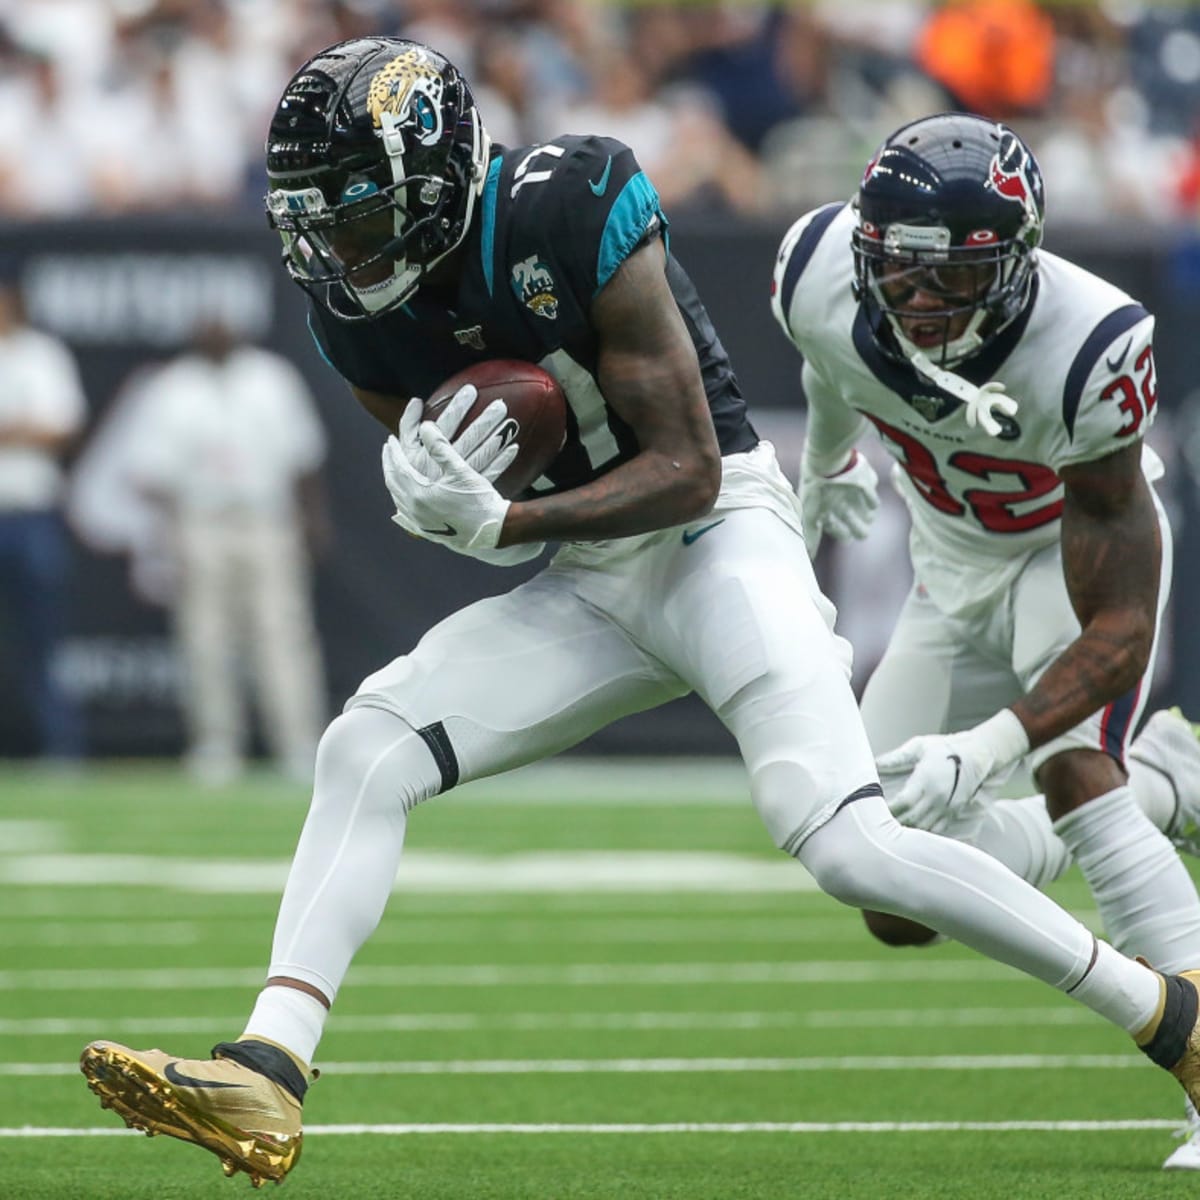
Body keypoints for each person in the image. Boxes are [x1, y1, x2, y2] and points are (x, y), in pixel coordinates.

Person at [79, 38, 1200, 1187]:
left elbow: (691, 469)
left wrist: (502, 527)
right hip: (593, 579)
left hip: (722, 542)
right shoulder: (349, 312)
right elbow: (477, 467)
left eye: (358, 217)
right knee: (367, 744)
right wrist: (431, 489)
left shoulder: (575, 200)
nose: (335, 250)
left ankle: (1169, 1017)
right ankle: (270, 1066)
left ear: (435, 178)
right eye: (314, 220)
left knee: (848, 845)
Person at [769, 111, 1200, 1170]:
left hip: (1067, 560)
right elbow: (832, 363)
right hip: (948, 571)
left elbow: (1120, 627)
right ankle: (1171, 785)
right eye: (896, 272)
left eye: (947, 277)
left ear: (1015, 264)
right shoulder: (819, 268)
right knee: (881, 878)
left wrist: (993, 746)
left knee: (1074, 776)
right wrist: (826, 463)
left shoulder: (1092, 344)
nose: (915, 301)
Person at [127, 321, 332, 784]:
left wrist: (312, 520)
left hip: (266, 518)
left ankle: (298, 742)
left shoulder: (272, 377)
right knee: (205, 636)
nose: (216, 332)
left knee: (283, 631)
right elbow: (152, 471)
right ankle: (216, 743)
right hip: (202, 520)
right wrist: (167, 535)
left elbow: (304, 457)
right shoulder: (173, 387)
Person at [0, 274, 86, 760]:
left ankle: (60, 747)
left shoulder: (41, 354)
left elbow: (60, 428)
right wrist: (23, 429)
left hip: (31, 512)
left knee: (42, 638)